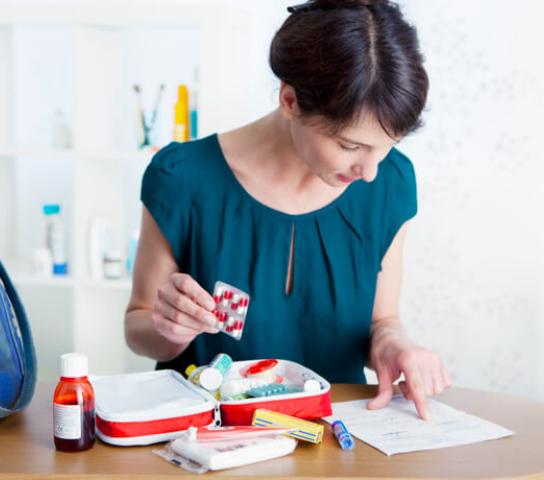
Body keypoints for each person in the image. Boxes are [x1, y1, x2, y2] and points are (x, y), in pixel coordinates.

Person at [125, 0, 451, 420]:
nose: (370, 171)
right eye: (350, 146)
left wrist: (393, 343)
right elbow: (137, 327)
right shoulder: (182, 178)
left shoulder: (391, 184)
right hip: (208, 438)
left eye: (387, 148)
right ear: (290, 100)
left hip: (335, 436)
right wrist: (167, 328)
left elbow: (382, 319)